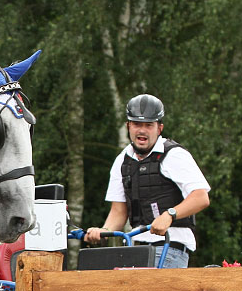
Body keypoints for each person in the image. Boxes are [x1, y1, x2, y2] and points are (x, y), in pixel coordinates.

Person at [84, 94, 210, 268]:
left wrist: (169, 215)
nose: (142, 130)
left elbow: (201, 197)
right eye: (136, 124)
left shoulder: (174, 155)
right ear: (128, 126)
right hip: (135, 248)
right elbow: (119, 212)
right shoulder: (122, 161)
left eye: (148, 125)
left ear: (159, 128)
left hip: (170, 247)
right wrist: (103, 231)